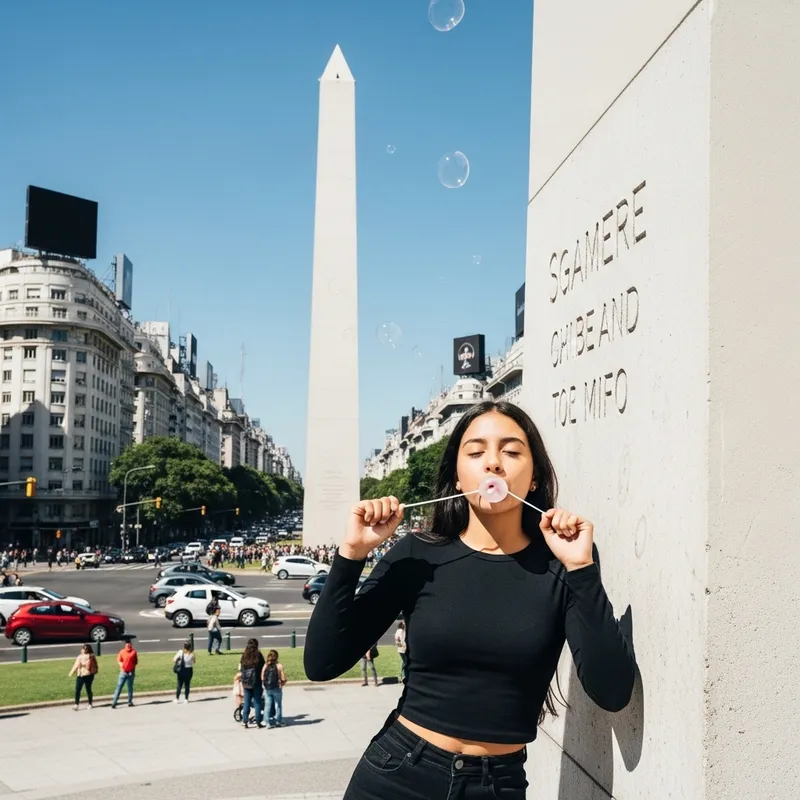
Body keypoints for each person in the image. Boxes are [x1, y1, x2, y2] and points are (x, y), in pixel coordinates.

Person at [305, 399, 636, 799]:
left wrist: (582, 569)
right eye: (476, 452)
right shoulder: (416, 554)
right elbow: (322, 662)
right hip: (397, 773)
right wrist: (351, 554)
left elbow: (613, 692)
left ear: (534, 478)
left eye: (511, 451)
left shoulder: (564, 562)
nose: (493, 463)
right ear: (459, 477)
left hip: (497, 785)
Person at [239, 638, 265, 729]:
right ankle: (258, 721)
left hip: (246, 682)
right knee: (257, 702)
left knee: (247, 701)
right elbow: (263, 667)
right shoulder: (259, 655)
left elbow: (241, 668)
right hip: (256, 681)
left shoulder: (244, 656)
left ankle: (245, 721)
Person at [262, 648, 288, 728]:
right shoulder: (279, 666)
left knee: (267, 705)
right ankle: (278, 721)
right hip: (277, 687)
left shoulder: (265, 665)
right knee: (278, 705)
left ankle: (267, 722)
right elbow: (283, 678)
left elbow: (262, 677)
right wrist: (282, 683)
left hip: (268, 688)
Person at [68, 643, 98, 710]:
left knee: (78, 690)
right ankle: (90, 704)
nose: (82, 650)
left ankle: (76, 704)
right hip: (90, 674)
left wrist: (71, 673)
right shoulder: (92, 656)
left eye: (83, 648)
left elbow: (76, 665)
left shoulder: (80, 657)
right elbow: (95, 664)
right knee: (88, 689)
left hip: (81, 675)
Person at [110, 639, 138, 708]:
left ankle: (115, 702)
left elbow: (119, 660)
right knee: (127, 687)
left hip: (125, 671)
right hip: (128, 671)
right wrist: (123, 665)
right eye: (127, 644)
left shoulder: (126, 652)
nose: (128, 645)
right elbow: (135, 662)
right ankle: (128, 702)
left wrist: (122, 665)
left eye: (129, 644)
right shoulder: (132, 652)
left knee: (120, 687)